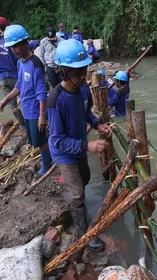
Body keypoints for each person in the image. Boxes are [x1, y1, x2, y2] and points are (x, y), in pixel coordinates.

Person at [47, 39, 112, 250]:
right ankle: (84, 235)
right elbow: (57, 140)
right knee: (77, 193)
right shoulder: (56, 101)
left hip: (79, 145)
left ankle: (78, 205)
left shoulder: (83, 89)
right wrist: (88, 146)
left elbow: (85, 112)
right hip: (65, 153)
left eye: (84, 70)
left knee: (84, 178)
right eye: (77, 72)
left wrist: (96, 124)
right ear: (64, 72)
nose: (83, 76)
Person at [0, 24, 52, 179]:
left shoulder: (36, 64)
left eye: (16, 46)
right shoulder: (20, 62)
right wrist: (6, 99)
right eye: (12, 47)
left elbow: (41, 91)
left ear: (25, 43)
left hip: (35, 110)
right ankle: (48, 158)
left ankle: (47, 165)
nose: (14, 50)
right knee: (35, 140)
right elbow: (19, 85)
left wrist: (42, 115)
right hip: (27, 109)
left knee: (40, 140)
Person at [0, 17, 26, 129]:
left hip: (2, 77)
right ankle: (33, 122)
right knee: (25, 99)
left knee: (12, 105)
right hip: (17, 75)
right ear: (7, 27)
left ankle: (23, 126)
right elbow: (17, 58)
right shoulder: (10, 40)